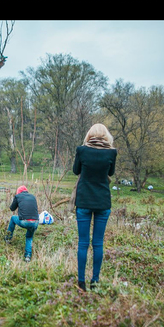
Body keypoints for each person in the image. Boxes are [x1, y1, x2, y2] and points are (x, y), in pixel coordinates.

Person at [72, 124, 117, 291]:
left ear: (89, 134)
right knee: (98, 243)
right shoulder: (112, 153)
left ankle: (81, 282)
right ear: (106, 136)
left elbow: (75, 170)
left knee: (83, 243)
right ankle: (95, 281)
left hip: (84, 201)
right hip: (103, 202)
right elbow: (110, 173)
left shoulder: (81, 150)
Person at [5, 185, 39, 262]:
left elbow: (12, 208)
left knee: (13, 218)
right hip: (35, 222)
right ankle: (28, 256)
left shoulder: (18, 196)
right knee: (29, 237)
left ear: (18, 192)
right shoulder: (33, 197)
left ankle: (8, 238)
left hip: (25, 221)